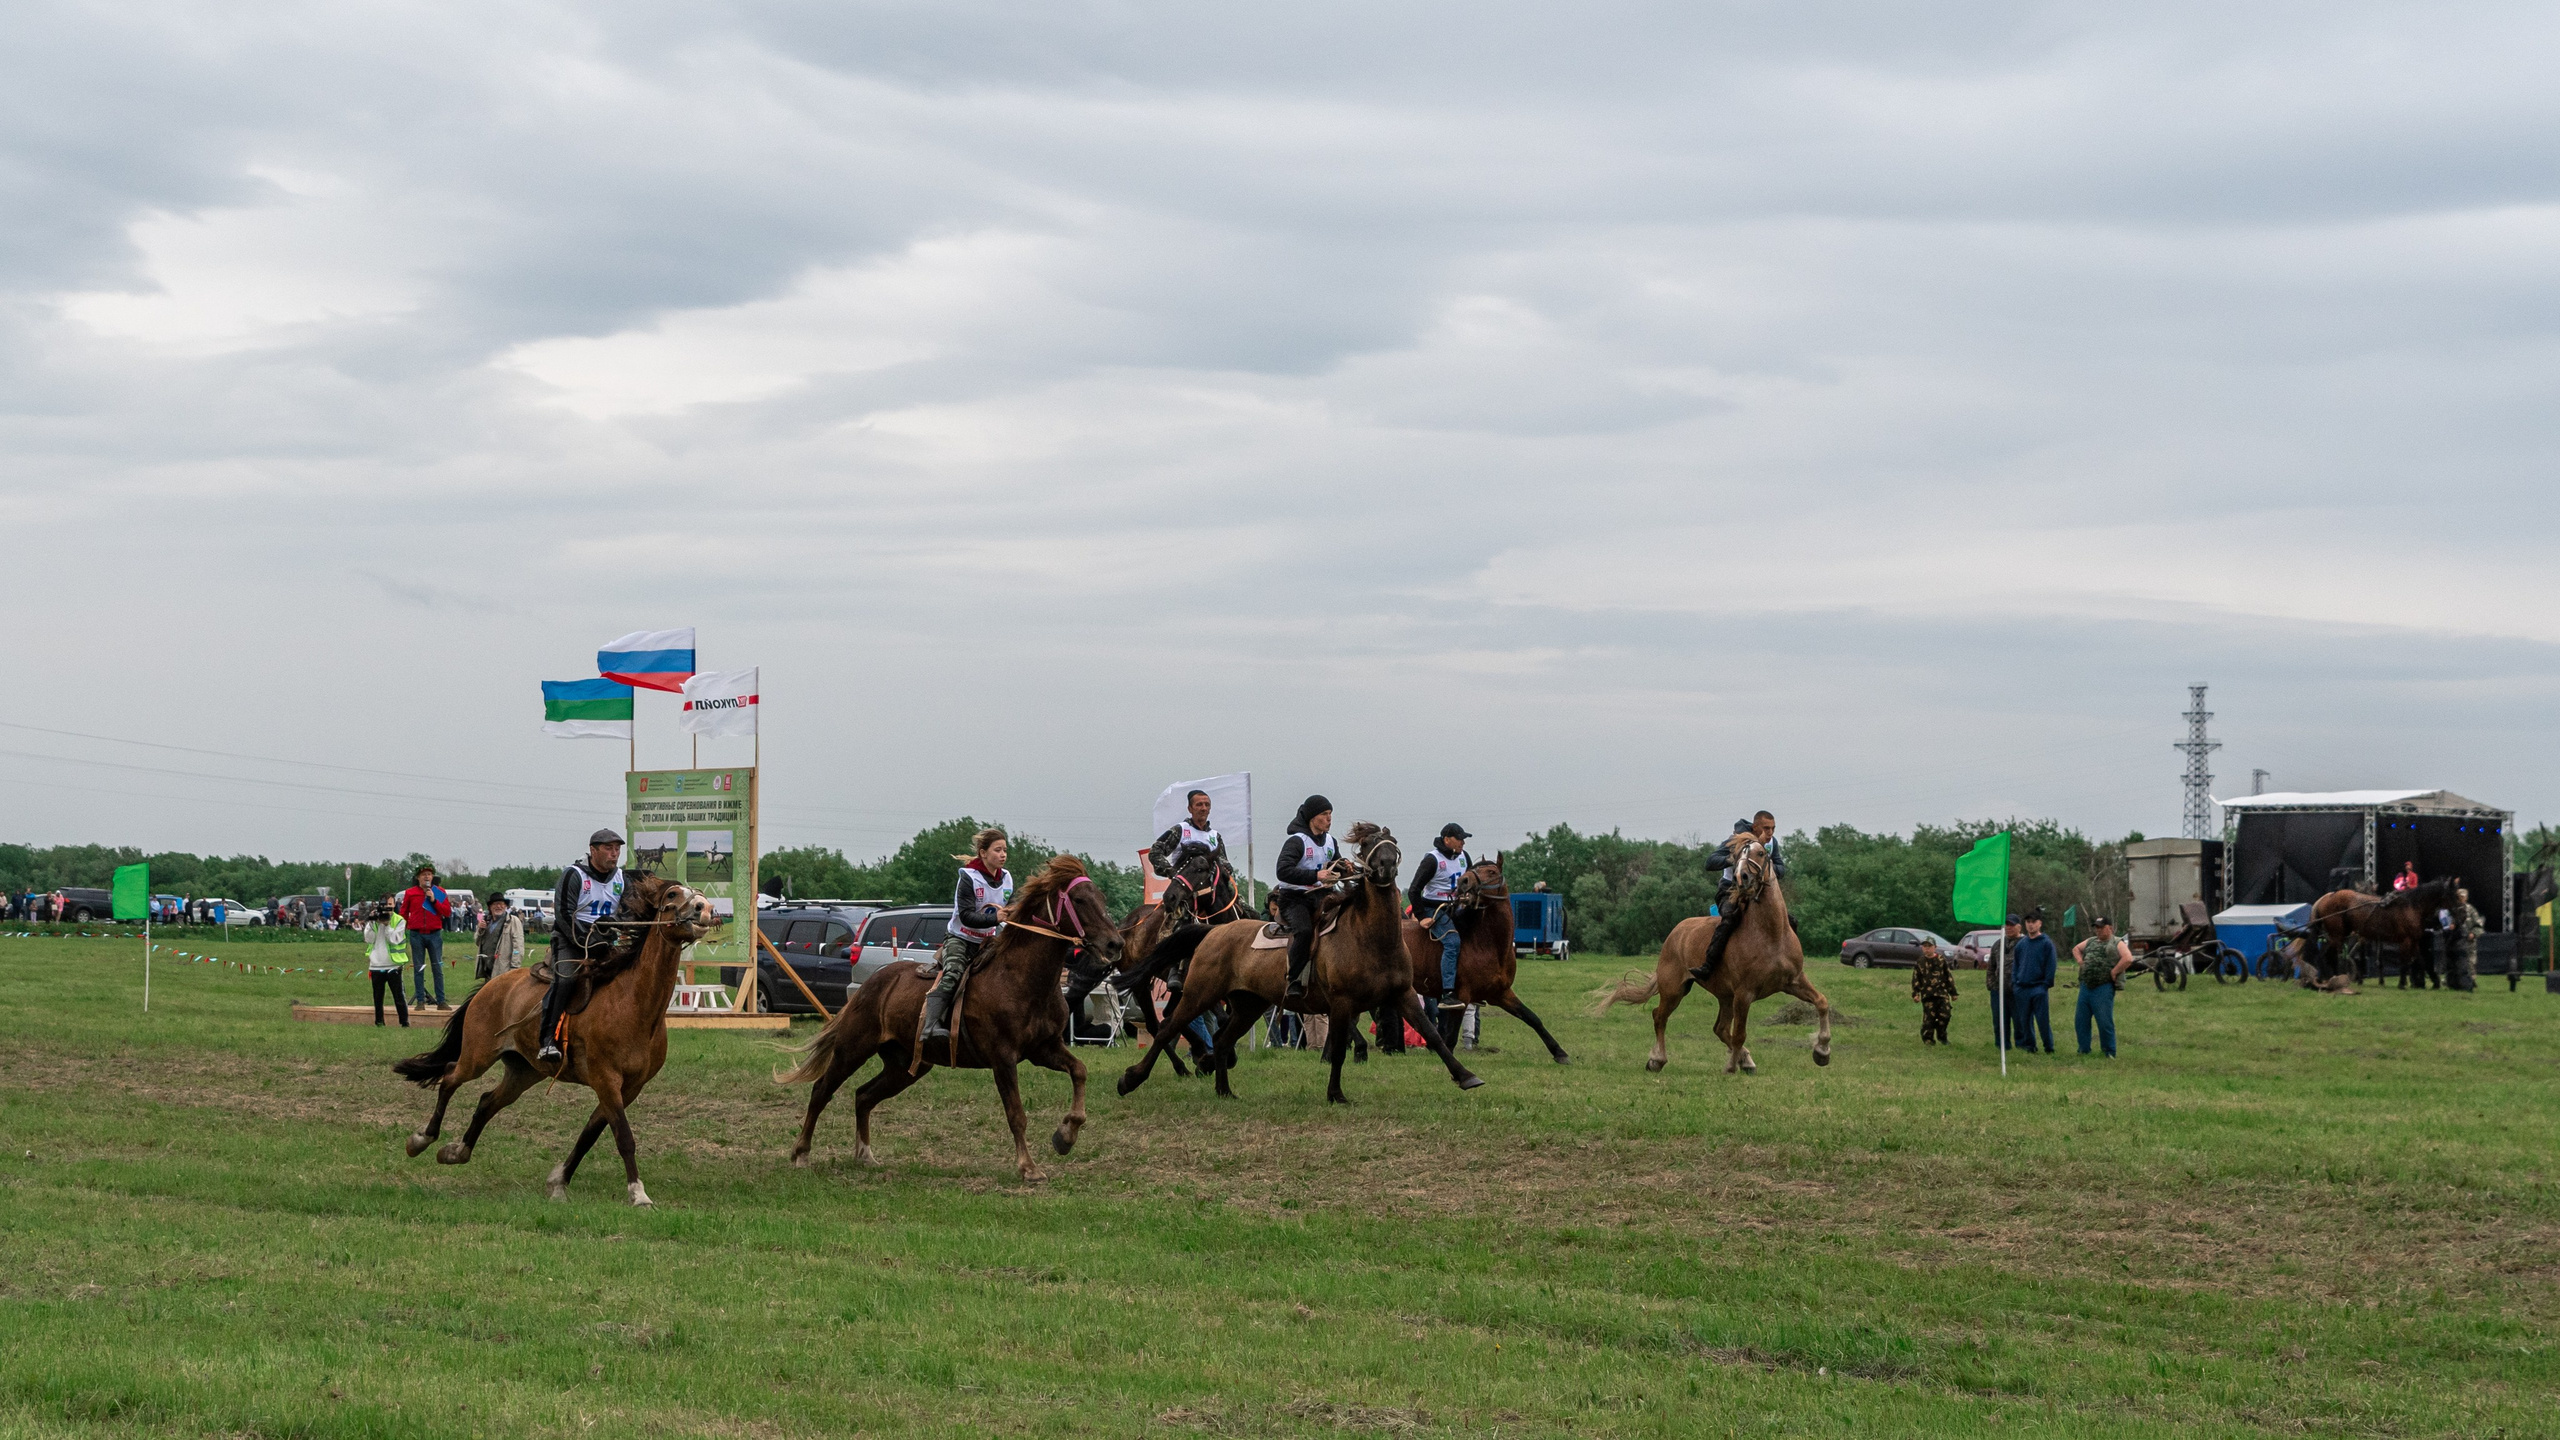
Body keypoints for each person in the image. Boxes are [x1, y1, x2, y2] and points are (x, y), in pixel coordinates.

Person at [539, 829, 629, 1063]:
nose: (614, 854)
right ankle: (547, 1039)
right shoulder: (574, 874)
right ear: (593, 850)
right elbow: (564, 914)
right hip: (571, 940)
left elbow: (629, 912)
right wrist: (587, 941)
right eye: (609, 849)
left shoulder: (621, 878)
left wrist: (614, 924)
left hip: (606, 941)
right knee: (566, 979)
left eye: (617, 849)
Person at [921, 828, 1011, 1045]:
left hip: (988, 941)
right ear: (983, 853)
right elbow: (967, 915)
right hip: (960, 938)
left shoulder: (1007, 878)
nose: (1003, 855)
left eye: (1005, 850)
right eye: (997, 850)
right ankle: (930, 1026)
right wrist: (996, 918)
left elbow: (1011, 906)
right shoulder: (968, 877)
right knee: (952, 974)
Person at [1688, 812, 1795, 988]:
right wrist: (1734, 858)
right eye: (1766, 829)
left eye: (1773, 829)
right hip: (1730, 889)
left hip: (1756, 891)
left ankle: (1790, 965)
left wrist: (1766, 864)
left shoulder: (1771, 844)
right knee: (1730, 918)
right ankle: (1708, 966)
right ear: (1755, 828)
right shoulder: (1738, 840)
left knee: (1790, 920)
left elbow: (1781, 868)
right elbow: (1710, 862)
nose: (1770, 833)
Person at [1272, 795, 1347, 1002]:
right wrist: (1315, 876)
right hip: (1294, 899)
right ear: (1313, 818)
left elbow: (1335, 863)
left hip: (1322, 895)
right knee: (1304, 931)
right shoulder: (1297, 841)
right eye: (1324, 814)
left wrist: (1345, 867)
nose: (1329, 819)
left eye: (1330, 814)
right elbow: (1282, 871)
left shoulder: (1330, 841)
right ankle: (1293, 979)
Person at [1407, 822, 1474, 1025]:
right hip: (1433, 909)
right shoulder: (1432, 860)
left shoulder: (1464, 857)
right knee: (1452, 942)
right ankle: (1447, 993)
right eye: (1459, 838)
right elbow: (1413, 890)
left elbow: (1470, 885)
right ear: (1447, 840)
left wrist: (1468, 897)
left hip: (1456, 907)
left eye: (1464, 839)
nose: (1463, 842)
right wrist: (1421, 916)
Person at [2071, 916, 2135, 1057]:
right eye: (2096, 927)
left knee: (2104, 1021)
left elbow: (2128, 958)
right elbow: (2076, 949)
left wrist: (2115, 971)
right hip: (2086, 986)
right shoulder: (2091, 941)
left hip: (2103, 987)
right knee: (2081, 1020)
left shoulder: (2117, 942)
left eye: (2101, 927)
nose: (2098, 930)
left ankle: (2109, 1051)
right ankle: (2083, 1049)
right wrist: (2081, 962)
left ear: (2110, 928)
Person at [397, 865, 454, 1009]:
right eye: (423, 875)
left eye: (429, 874)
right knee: (418, 968)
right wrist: (400, 930)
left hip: (434, 934)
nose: (427, 877)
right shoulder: (411, 893)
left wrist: (434, 900)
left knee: (437, 968)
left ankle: (441, 1001)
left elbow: (447, 912)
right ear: (418, 878)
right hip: (416, 934)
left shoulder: (439, 892)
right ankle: (420, 1000)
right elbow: (403, 913)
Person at [2009, 912, 2058, 1055]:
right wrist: (2015, 983)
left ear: (2039, 923)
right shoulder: (2022, 944)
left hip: (2038, 987)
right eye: (2028, 922)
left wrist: (2045, 985)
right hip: (2022, 988)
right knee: (2024, 1020)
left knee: (2042, 1020)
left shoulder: (2046, 943)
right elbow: (2016, 964)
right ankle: (2030, 1046)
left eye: (2033, 921)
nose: (2030, 924)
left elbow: (2051, 965)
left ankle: (2048, 1047)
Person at [364, 901, 411, 1027]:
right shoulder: (374, 920)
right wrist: (372, 922)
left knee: (398, 996)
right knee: (378, 997)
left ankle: (404, 1022)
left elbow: (394, 940)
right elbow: (368, 939)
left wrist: (387, 925)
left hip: (393, 964)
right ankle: (379, 1022)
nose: (387, 912)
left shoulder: (399, 920)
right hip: (376, 964)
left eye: (389, 907)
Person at [1910, 936, 1957, 1045]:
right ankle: (1928, 1039)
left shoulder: (1941, 960)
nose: (1927, 949)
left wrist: (1953, 992)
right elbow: (1916, 979)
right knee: (1929, 1019)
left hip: (1942, 994)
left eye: (1929, 946)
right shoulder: (1920, 962)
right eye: (1925, 946)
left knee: (1945, 1015)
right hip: (1928, 995)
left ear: (1935, 947)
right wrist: (1915, 994)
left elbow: (1948, 976)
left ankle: (1942, 1036)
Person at [1988, 915, 2021, 1051]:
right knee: (1999, 1020)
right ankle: (2002, 1045)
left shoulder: (2024, 943)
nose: (2008, 927)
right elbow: (1991, 966)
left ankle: (2022, 1045)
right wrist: (1991, 985)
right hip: (1998, 989)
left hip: (2017, 990)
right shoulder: (1998, 944)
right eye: (2006, 925)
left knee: (2020, 1020)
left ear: (2019, 927)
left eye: (2011, 925)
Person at [477, 893, 526, 982]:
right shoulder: (486, 921)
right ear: (490, 907)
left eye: (501, 904)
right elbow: (477, 943)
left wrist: (514, 967)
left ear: (505, 906)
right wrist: (480, 930)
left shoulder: (513, 921)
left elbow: (518, 946)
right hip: (487, 968)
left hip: (503, 969)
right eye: (495, 904)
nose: (498, 906)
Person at [2448, 888, 2484, 992]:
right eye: (2460, 897)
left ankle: (2471, 981)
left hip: (2468, 941)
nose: (2461, 899)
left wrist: (2474, 933)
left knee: (2470, 962)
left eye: (2463, 897)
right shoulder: (2452, 909)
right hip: (2455, 941)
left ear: (2466, 898)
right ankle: (2453, 981)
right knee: (2453, 962)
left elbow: (2479, 925)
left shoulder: (2471, 909)